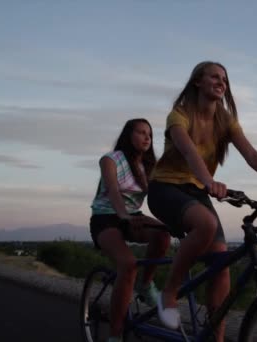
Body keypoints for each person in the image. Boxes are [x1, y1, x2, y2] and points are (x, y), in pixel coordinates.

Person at [147, 61, 257, 340]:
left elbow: (252, 155)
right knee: (206, 224)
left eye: (225, 79)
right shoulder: (180, 115)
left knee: (221, 268)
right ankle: (169, 293)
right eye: (214, 76)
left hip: (197, 192)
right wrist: (209, 181)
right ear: (198, 81)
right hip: (165, 188)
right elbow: (188, 152)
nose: (221, 82)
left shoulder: (225, 120)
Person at [89, 118, 171, 342]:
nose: (147, 138)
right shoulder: (111, 160)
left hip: (133, 217)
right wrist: (123, 215)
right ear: (129, 134)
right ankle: (115, 335)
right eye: (141, 132)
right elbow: (114, 190)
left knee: (164, 234)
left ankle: (145, 285)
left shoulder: (149, 166)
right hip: (106, 217)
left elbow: (164, 193)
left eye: (150, 134)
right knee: (128, 264)